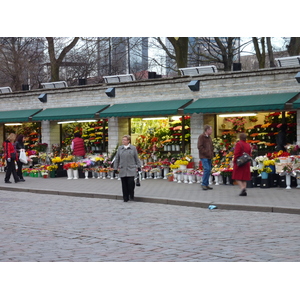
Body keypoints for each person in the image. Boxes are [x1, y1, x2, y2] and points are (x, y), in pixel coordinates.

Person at [114, 135, 141, 202]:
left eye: (125, 140)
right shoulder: (120, 148)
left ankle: (131, 194)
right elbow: (117, 158)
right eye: (122, 140)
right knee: (124, 184)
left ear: (128, 141)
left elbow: (136, 158)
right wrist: (115, 168)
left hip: (131, 168)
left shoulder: (133, 148)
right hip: (122, 168)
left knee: (131, 183)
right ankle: (125, 197)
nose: (123, 141)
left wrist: (139, 166)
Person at [198, 124, 214, 190]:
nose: (212, 131)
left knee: (208, 170)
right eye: (211, 130)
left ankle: (206, 184)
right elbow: (200, 146)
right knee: (207, 169)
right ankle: (204, 184)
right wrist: (206, 152)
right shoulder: (201, 137)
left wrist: (211, 152)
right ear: (207, 130)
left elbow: (211, 146)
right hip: (204, 156)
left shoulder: (209, 137)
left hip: (209, 156)